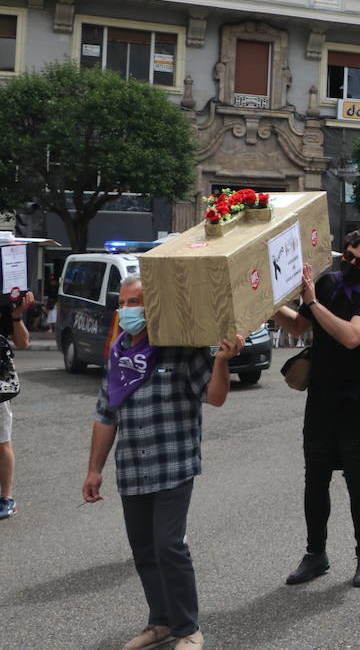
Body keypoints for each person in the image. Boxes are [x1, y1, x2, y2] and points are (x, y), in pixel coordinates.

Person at [82, 274, 245, 650]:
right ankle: (160, 623)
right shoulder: (119, 351)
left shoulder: (180, 348)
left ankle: (188, 628)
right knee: (144, 550)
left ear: (153, 305)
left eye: (135, 302)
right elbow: (106, 414)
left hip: (174, 463)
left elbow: (215, 397)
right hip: (132, 468)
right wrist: (94, 469)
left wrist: (221, 361)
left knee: (169, 545)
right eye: (123, 303)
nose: (128, 311)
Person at [274, 229, 360, 589]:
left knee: (357, 478)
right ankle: (315, 555)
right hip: (322, 392)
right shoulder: (326, 284)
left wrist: (312, 303)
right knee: (315, 476)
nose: (352, 264)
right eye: (349, 256)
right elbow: (297, 326)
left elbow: (351, 336)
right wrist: (267, 302)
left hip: (357, 395)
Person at [0, 290, 32, 520]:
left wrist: (17, 315)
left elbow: (22, 342)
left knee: (2, 443)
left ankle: (6, 498)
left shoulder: (4, 303)